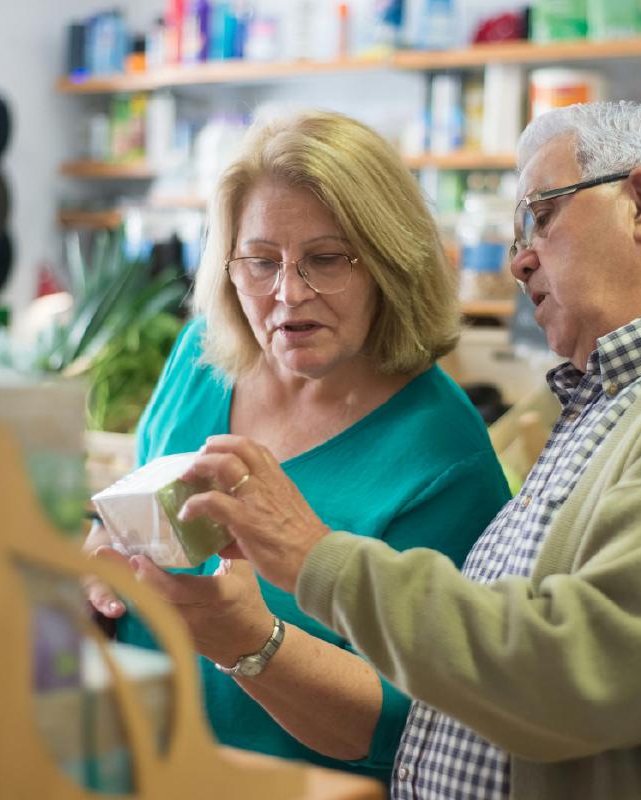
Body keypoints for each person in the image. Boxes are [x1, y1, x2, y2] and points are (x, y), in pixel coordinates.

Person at [174, 101, 641, 799]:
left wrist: (317, 558)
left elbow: (584, 672)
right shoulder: (615, 401)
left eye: (542, 215)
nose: (519, 256)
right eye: (260, 261)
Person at [82, 110, 512, 784]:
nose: (288, 294)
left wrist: (251, 644)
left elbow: (417, 725)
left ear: (391, 262)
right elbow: (129, 524)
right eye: (260, 261)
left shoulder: (443, 456)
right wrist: (99, 568)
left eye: (327, 258)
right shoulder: (201, 360)